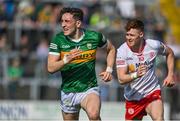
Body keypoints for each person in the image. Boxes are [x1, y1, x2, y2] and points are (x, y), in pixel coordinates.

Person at [47, 7, 115, 121]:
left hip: (89, 88)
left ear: (78, 23)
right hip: (68, 91)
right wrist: (65, 60)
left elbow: (111, 49)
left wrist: (109, 69)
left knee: (94, 115)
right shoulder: (58, 40)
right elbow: (50, 67)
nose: (63, 25)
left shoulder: (94, 37)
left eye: (67, 21)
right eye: (62, 21)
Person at [116, 19, 175, 121]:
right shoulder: (122, 51)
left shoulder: (153, 45)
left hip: (151, 92)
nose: (128, 38)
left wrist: (170, 75)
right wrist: (136, 75)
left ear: (141, 34)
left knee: (159, 119)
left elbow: (169, 53)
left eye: (132, 35)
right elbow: (121, 79)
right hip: (133, 98)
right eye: (127, 35)